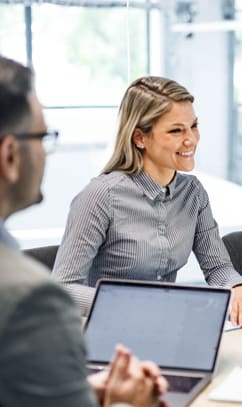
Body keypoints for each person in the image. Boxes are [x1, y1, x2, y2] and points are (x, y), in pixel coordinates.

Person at [0, 55, 167, 406]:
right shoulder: (31, 300)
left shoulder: (191, 193)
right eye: (43, 138)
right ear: (10, 156)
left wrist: (83, 391)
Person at [51, 76, 242, 327]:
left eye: (193, 126)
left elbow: (218, 268)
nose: (191, 139)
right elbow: (63, 289)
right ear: (140, 138)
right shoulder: (101, 196)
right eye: (176, 130)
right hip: (109, 329)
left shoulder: (193, 193)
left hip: (163, 326)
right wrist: (135, 304)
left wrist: (238, 288)